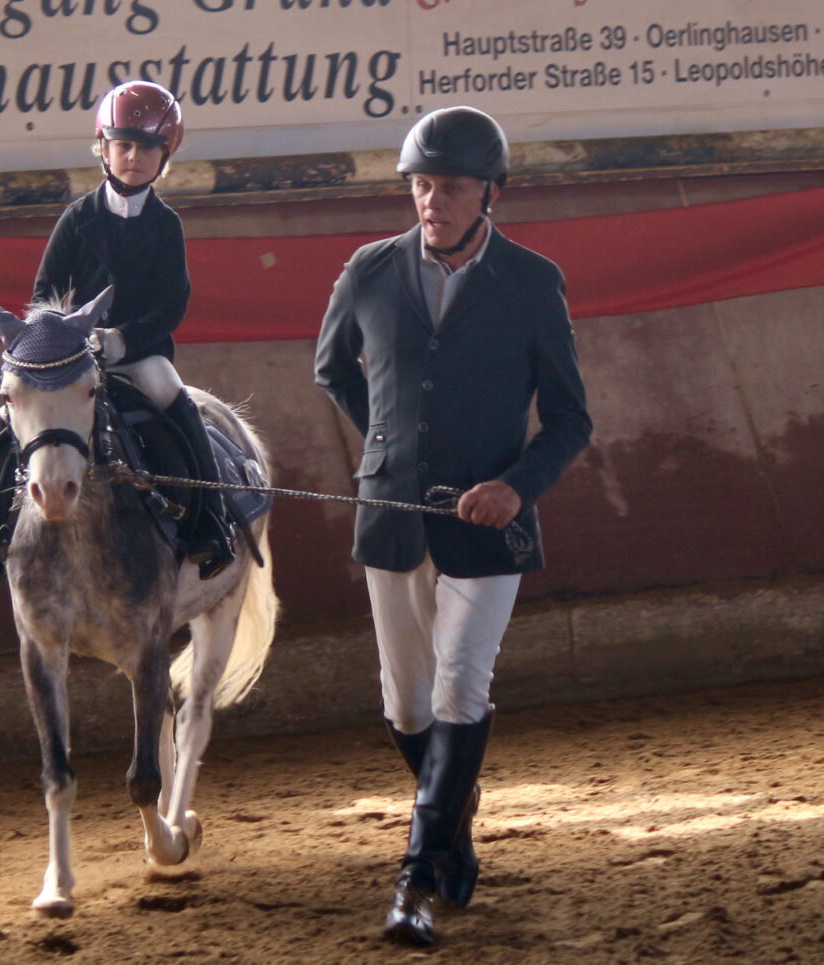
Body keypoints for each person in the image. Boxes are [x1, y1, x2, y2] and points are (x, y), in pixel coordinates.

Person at [313, 106, 592, 947]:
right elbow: (331, 369)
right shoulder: (367, 271)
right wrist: (389, 449)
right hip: (392, 517)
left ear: (490, 194)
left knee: (459, 687)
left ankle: (415, 880)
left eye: (453, 188)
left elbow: (572, 421)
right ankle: (455, 824)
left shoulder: (533, 281)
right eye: (422, 186)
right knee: (405, 706)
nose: (432, 201)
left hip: (488, 529)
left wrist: (515, 485)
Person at [0, 80, 234, 595]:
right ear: (103, 148)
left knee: (176, 400)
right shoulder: (77, 219)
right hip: (70, 359)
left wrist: (121, 340)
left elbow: (173, 305)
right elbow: (43, 296)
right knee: (10, 412)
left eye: (147, 148)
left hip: (135, 355)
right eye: (123, 145)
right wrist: (64, 339)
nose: (134, 157)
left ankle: (211, 522)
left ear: (165, 156)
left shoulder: (166, 226)